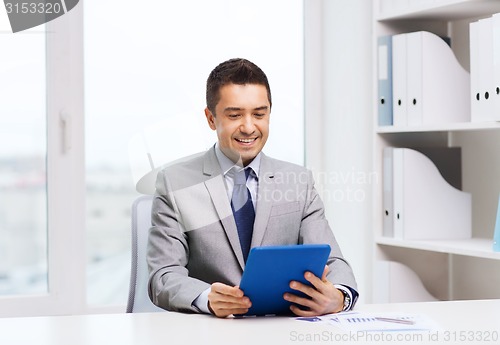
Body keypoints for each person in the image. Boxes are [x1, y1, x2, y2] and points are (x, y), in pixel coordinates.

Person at [147, 58, 358, 318]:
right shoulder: (175, 182)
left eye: (259, 114)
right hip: (212, 332)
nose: (249, 127)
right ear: (211, 118)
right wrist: (207, 299)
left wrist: (339, 297)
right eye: (234, 115)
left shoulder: (298, 181)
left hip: (282, 329)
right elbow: (163, 276)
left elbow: (333, 262)